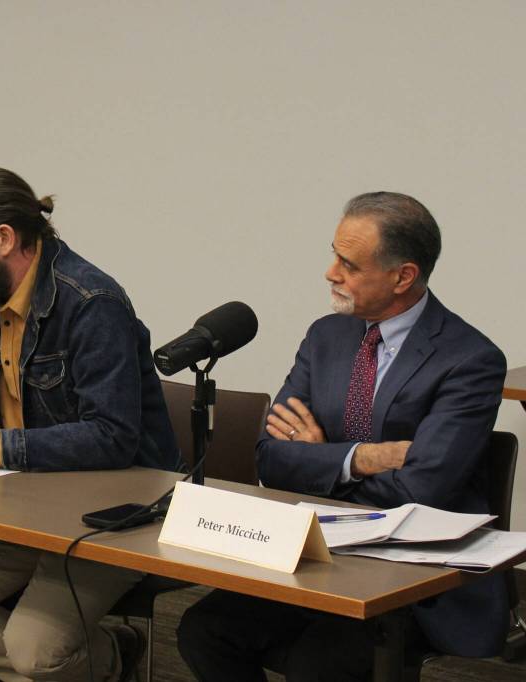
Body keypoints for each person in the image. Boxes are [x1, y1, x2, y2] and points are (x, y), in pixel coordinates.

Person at [177, 192, 508, 682]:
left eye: (349, 264)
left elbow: (421, 494)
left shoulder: (469, 359)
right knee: (202, 631)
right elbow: (270, 460)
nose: (331, 272)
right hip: (316, 556)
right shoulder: (326, 337)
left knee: (318, 665)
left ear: (403, 276)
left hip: (414, 580)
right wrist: (362, 458)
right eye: (334, 254)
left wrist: (320, 460)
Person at [0, 167, 179, 682]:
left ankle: (100, 662)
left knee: (34, 651)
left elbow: (113, 437)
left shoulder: (93, 304)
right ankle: (103, 658)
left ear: (4, 239)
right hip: (21, 504)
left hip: (112, 515)